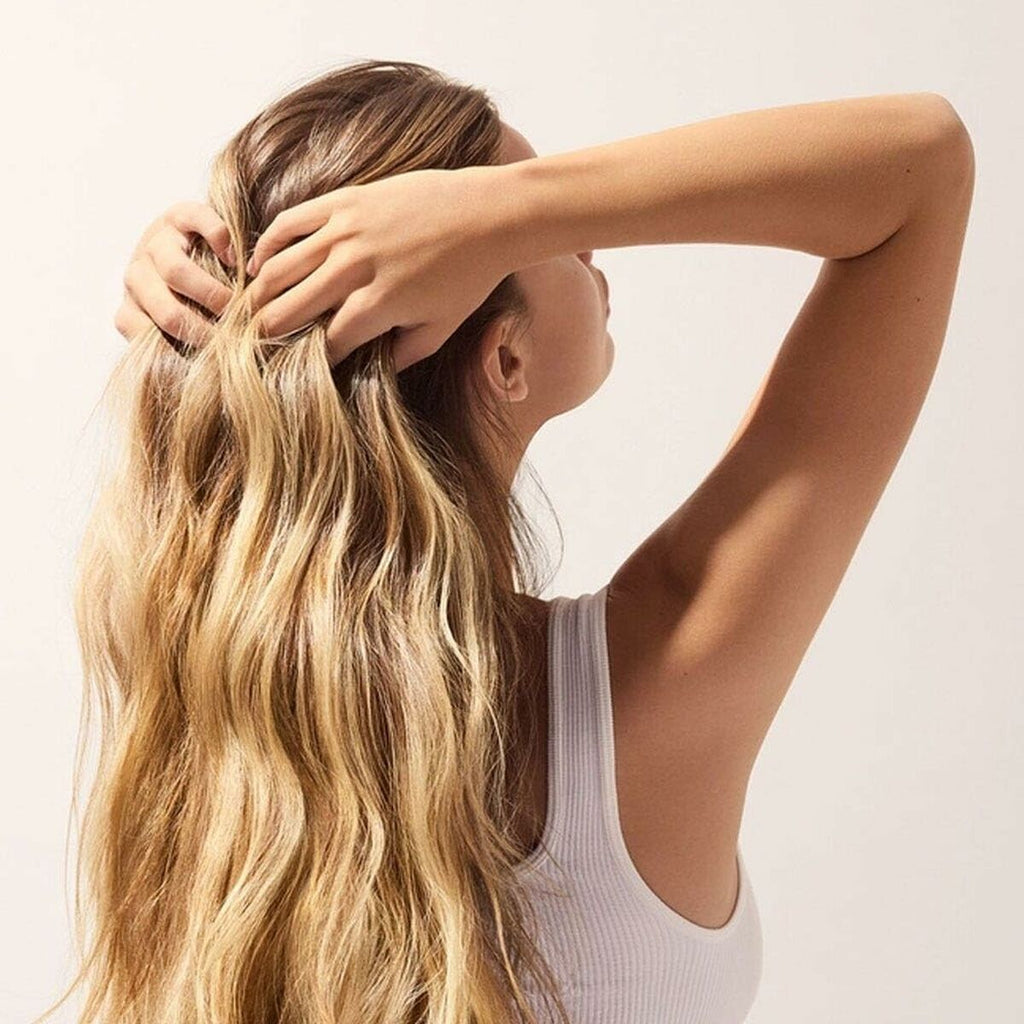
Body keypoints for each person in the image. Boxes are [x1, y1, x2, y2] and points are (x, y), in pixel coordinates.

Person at [61, 59, 973, 1024]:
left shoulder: (198, 734)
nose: (582, 240)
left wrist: (211, 299)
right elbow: (922, 164)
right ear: (504, 357)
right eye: (546, 230)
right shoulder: (642, 695)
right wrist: (511, 212)